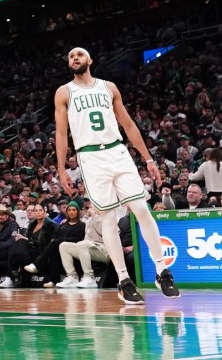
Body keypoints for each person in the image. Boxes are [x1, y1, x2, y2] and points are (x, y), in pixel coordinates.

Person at [55, 47, 179, 305]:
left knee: (142, 210)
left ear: (90, 59)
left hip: (117, 151)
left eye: (79, 54)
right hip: (90, 156)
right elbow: (61, 133)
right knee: (108, 218)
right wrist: (60, 168)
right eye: (71, 56)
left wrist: (148, 159)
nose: (75, 58)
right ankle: (124, 281)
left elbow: (129, 125)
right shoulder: (64, 92)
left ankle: (161, 271)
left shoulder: (109, 87)